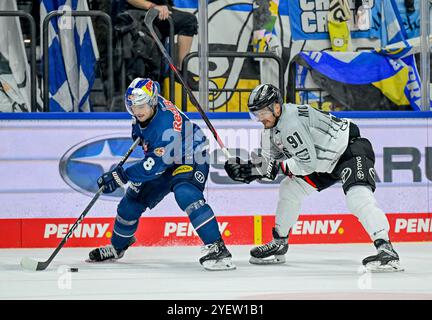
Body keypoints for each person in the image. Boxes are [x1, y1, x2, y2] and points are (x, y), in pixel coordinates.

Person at [224, 83, 404, 272]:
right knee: (289, 189)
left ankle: (386, 250)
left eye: (263, 112)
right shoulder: (269, 130)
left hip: (349, 151)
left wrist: (266, 168)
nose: (260, 118)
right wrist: (248, 170)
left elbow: (304, 164)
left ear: (276, 107)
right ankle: (279, 242)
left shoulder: (290, 122)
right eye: (256, 114)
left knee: (357, 197)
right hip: (323, 163)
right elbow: (270, 167)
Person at [88, 77, 235, 271]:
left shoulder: (164, 126)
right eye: (132, 105)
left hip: (190, 157)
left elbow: (152, 167)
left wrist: (119, 176)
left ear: (152, 102)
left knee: (186, 193)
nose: (136, 110)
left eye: (141, 105)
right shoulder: (148, 109)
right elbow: (146, 142)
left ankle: (218, 248)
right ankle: (117, 247)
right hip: (165, 157)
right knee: (129, 204)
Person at [125, 0, 197, 75]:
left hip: (160, 9)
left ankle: (181, 72)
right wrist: (153, 6)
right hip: (138, 13)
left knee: (189, 21)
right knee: (188, 20)